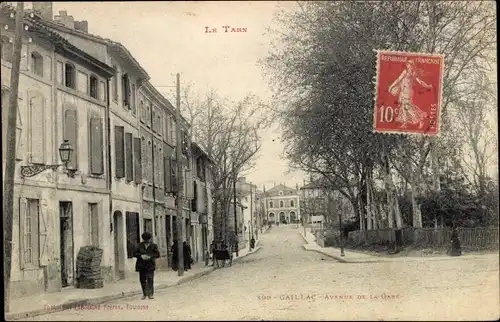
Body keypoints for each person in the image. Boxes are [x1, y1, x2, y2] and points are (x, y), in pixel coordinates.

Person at [134, 232, 160, 300]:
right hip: (141, 265)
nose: (147, 241)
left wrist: (150, 256)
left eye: (148, 239)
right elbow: (134, 253)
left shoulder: (154, 245)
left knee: (150, 279)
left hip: (150, 265)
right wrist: (141, 256)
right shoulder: (139, 245)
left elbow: (157, 254)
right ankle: (144, 294)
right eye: (145, 240)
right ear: (143, 239)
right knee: (142, 280)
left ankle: (150, 294)